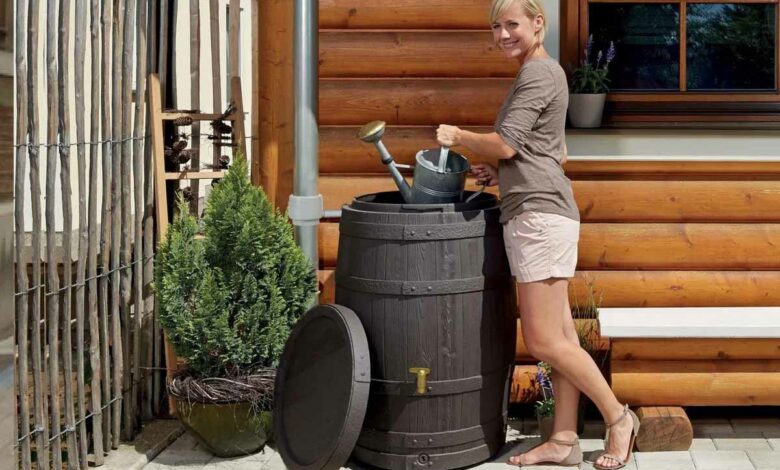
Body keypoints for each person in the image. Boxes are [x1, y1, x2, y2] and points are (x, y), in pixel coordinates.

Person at [435, 0, 639, 468]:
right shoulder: (540, 73)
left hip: (539, 217)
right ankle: (564, 440)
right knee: (562, 336)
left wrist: (459, 137)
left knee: (545, 341)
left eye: (512, 24)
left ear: (537, 23)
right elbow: (547, 150)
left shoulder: (537, 74)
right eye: (496, 26)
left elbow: (507, 141)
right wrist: (502, 171)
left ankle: (618, 417)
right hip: (538, 210)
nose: (503, 34)